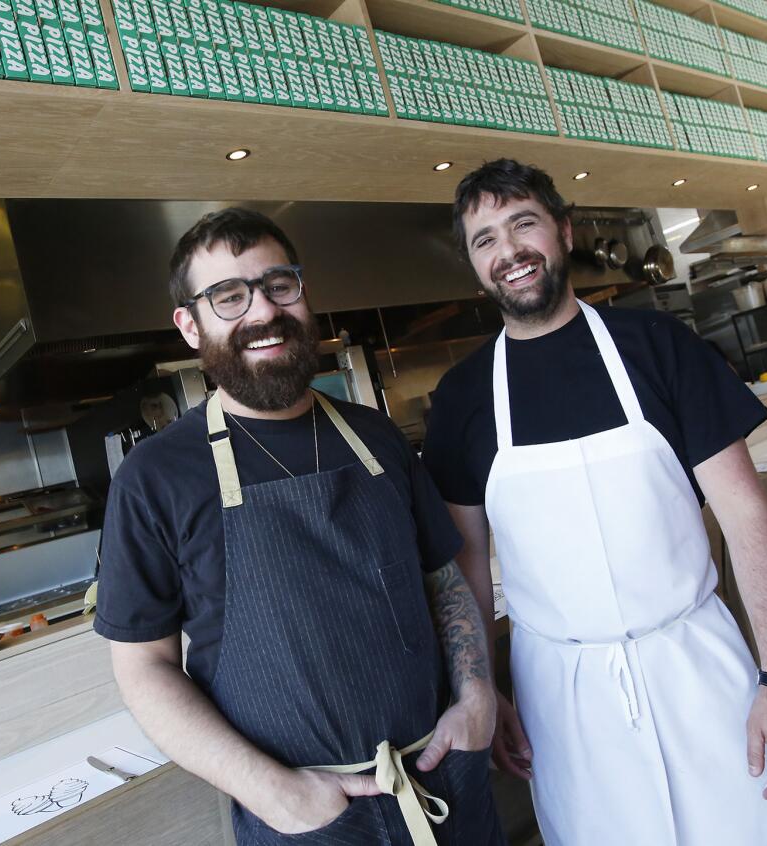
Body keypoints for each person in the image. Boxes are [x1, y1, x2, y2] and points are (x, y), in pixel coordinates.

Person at [423, 159, 767, 845]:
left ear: (562, 228)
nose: (510, 252)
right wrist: (483, 690)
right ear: (474, 266)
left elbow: (746, 516)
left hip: (700, 666)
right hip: (562, 698)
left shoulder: (659, 348)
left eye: (523, 224)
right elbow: (466, 566)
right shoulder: (463, 398)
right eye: (485, 240)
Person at [94, 208, 504, 846]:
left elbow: (442, 579)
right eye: (228, 297)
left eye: (278, 285)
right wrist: (271, 793)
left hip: (444, 782)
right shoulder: (155, 478)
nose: (263, 312)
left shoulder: (376, 437)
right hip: (305, 822)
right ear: (188, 325)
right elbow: (144, 668)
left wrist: (478, 695)